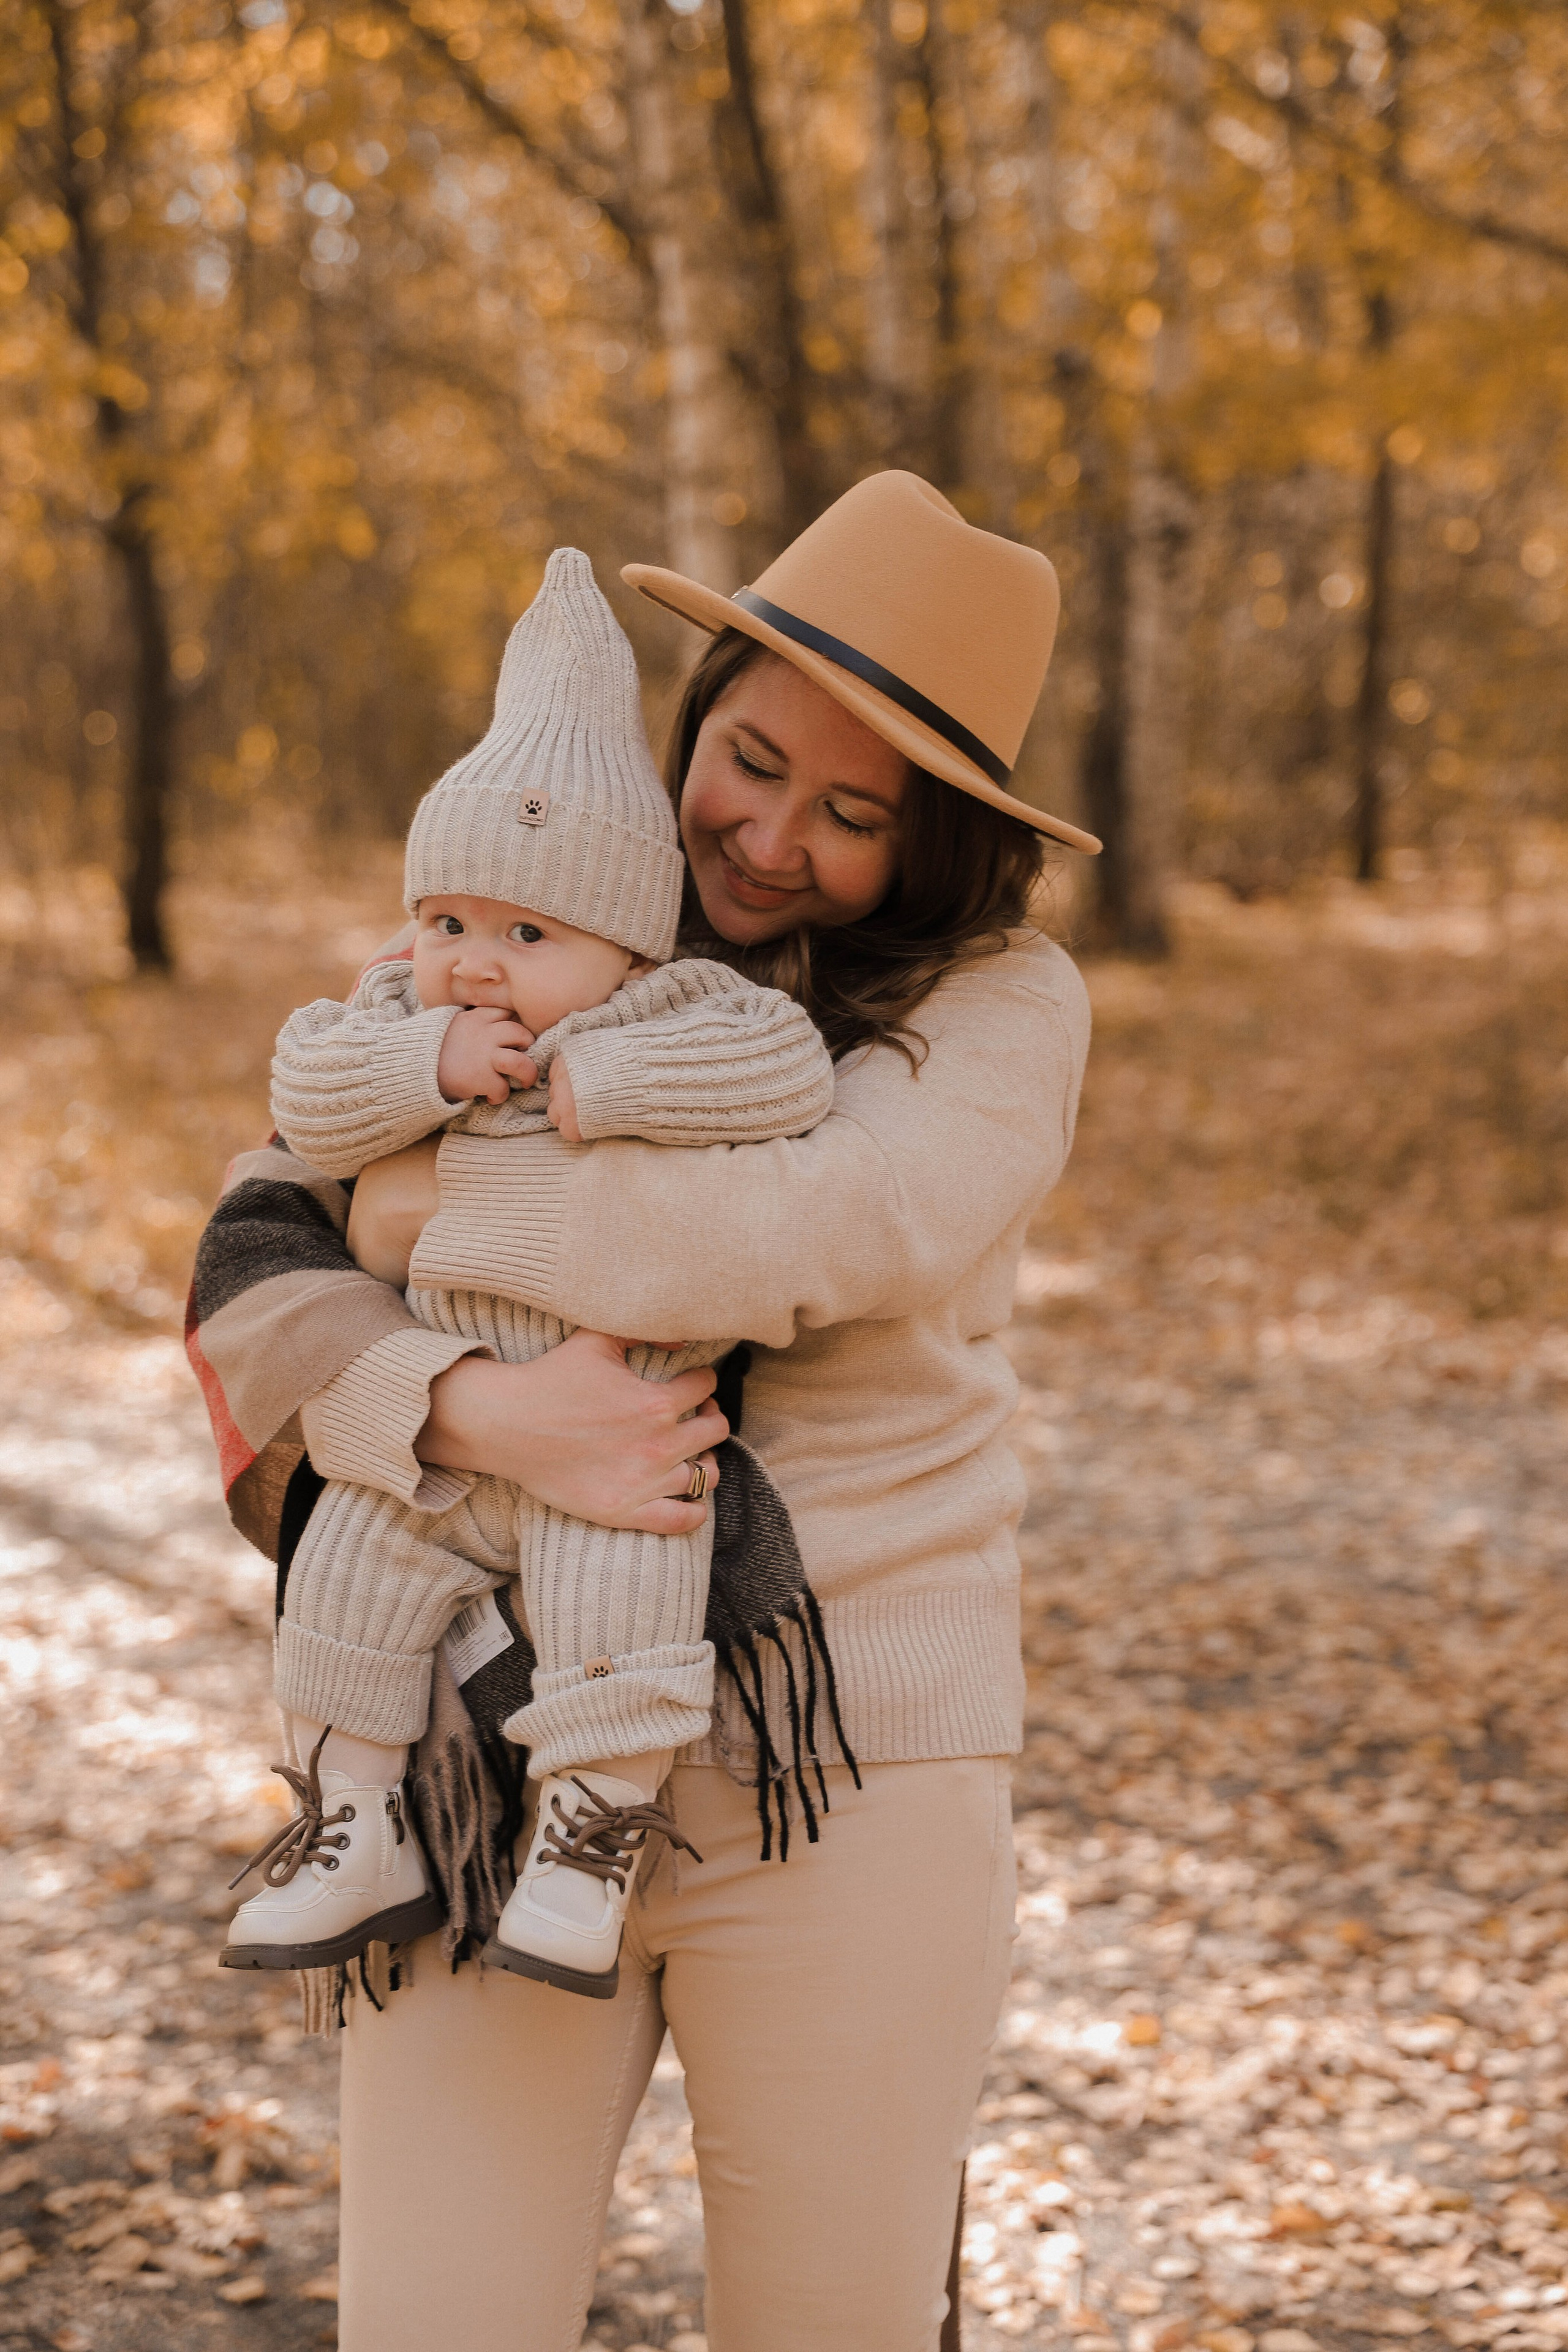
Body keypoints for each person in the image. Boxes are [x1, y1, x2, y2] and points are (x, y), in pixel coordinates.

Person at [187, 469, 1098, 2352]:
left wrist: (420, 1211)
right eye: (750, 761)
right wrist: (465, 1408)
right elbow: (255, 1256)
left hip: (846, 1758)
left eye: (853, 815)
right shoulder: (542, 909)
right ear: (697, 716)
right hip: (484, 1735)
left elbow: (819, 1225)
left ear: (939, 848)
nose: (769, 836)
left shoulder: (1004, 1005)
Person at [220, 547, 835, 1997]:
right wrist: (419, 1064)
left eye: (524, 934)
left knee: (625, 1591)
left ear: (622, 948)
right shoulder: (402, 1008)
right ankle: (354, 1820)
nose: (472, 963)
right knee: (345, 1573)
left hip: (620, 1425)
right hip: (435, 1435)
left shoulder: (664, 1007)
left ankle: (586, 1840)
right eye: (448, 921)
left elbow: (782, 1067)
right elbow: (307, 1090)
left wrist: (601, 1084)